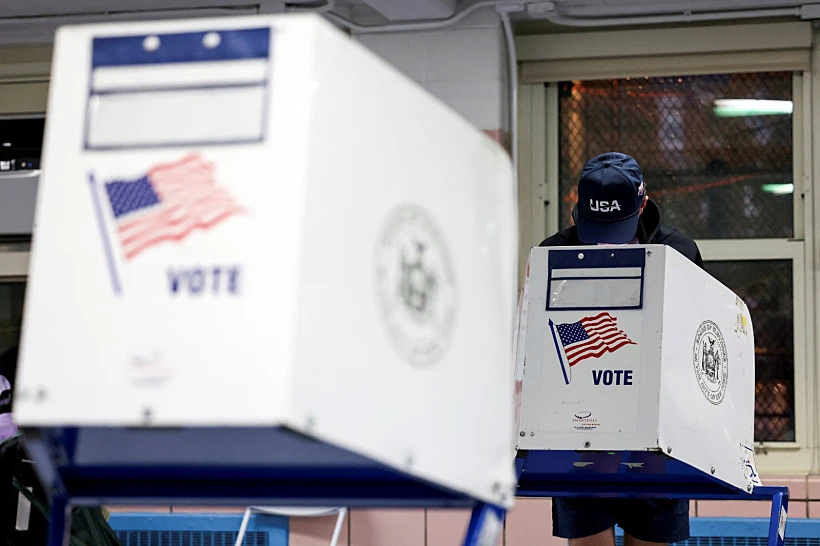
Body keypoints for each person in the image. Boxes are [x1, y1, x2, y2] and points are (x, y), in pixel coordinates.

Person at [540, 152, 703, 546]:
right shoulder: (554, 253)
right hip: (580, 429)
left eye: (617, 228)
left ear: (643, 204)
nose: (605, 241)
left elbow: (700, 337)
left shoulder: (677, 252)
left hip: (657, 433)